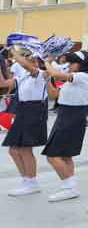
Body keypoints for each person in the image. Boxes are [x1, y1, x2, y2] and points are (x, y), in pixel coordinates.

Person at [41, 51, 88, 203]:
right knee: (66, 155)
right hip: (66, 114)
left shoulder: (83, 77)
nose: (69, 65)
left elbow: (57, 75)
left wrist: (47, 61)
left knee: (51, 155)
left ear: (81, 64)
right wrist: (47, 79)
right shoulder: (73, 80)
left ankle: (70, 187)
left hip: (72, 116)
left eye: (72, 62)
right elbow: (54, 95)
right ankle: (68, 187)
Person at [3, 43, 47, 197]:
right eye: (30, 59)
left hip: (34, 111)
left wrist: (12, 51)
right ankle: (26, 180)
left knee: (25, 149)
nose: (31, 62)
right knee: (13, 150)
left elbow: (25, 65)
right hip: (22, 110)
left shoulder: (41, 74)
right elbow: (2, 84)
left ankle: (32, 182)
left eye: (34, 60)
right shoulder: (23, 76)